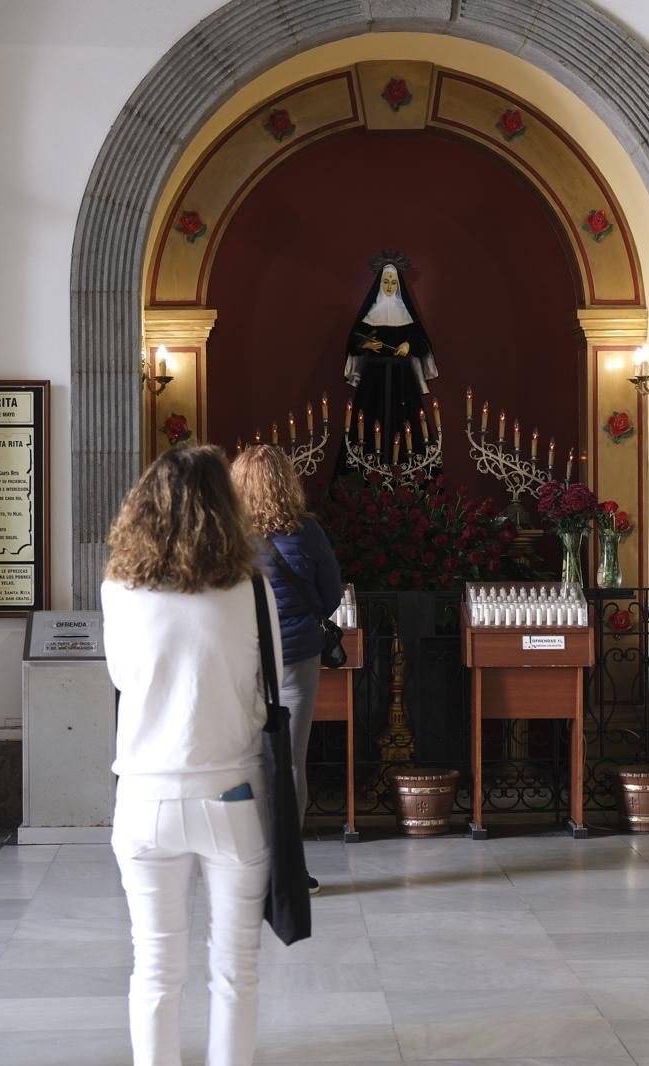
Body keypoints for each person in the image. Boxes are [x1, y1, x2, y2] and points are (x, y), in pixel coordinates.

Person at [102, 444, 280, 1066]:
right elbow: (273, 686)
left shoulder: (118, 589)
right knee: (235, 970)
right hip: (230, 790)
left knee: (153, 968)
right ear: (226, 510)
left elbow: (123, 677)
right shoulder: (251, 590)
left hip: (145, 795)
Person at [231, 444, 343, 894]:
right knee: (291, 764)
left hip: (241, 658)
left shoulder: (226, 537)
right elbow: (331, 593)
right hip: (296, 656)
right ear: (285, 483)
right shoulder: (308, 533)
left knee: (247, 760)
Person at [343, 259, 438, 460]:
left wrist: (409, 345)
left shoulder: (406, 314)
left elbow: (421, 343)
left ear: (398, 285)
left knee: (406, 427)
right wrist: (365, 344)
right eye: (385, 282)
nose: (389, 286)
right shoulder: (370, 315)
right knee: (367, 425)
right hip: (373, 381)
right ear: (379, 283)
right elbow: (354, 342)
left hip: (403, 381)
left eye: (392, 282)